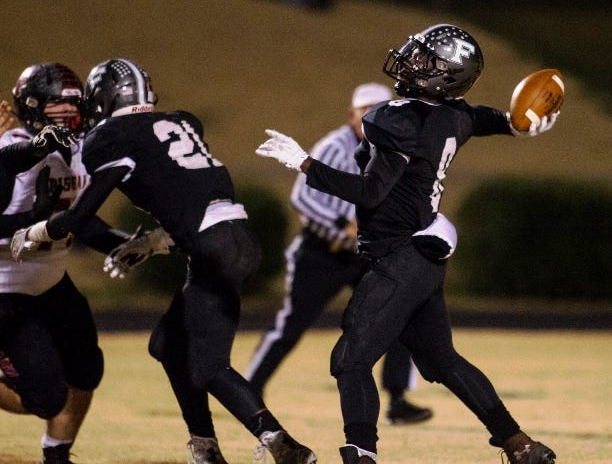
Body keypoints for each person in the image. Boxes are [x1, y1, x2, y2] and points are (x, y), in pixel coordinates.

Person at [254, 24, 559, 464]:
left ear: (447, 75)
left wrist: (305, 164)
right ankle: (520, 445)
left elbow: (371, 192)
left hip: (399, 256)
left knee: (350, 360)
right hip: (422, 255)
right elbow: (482, 117)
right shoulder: (453, 115)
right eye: (416, 55)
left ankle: (362, 455)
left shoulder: (397, 119)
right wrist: (516, 126)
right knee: (443, 362)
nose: (412, 63)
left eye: (425, 61)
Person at [10, 59, 316, 464]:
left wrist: (33, 232)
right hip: (232, 238)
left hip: (214, 246)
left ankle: (283, 445)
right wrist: (153, 242)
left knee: (208, 367)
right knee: (167, 345)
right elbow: (186, 193)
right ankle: (205, 447)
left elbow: (80, 217)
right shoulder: (180, 122)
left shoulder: (111, 137)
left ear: (104, 98)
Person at [245, 82, 433, 426]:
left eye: (383, 111)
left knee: (399, 313)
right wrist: (341, 223)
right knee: (290, 325)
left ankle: (398, 400)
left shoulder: (393, 150)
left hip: (365, 254)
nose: (376, 118)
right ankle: (247, 392)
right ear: (352, 115)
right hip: (322, 253)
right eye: (369, 111)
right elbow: (302, 198)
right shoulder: (335, 146)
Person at [0, 63, 127, 464]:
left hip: (51, 282)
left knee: (87, 369)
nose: (69, 110)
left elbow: (78, 221)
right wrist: (33, 221)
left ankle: (57, 456)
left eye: (75, 101)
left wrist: (127, 245)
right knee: (44, 397)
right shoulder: (9, 148)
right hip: (5, 289)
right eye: (58, 102)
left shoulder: (78, 148)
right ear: (32, 105)